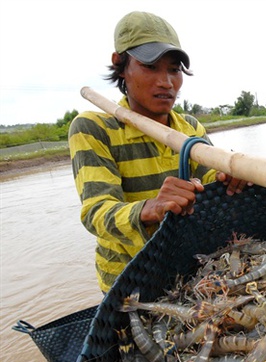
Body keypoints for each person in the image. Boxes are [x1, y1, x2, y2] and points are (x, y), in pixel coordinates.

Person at [69, 11, 249, 294]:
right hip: (128, 279)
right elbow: (96, 213)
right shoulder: (94, 127)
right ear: (120, 65)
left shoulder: (189, 127)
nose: (166, 82)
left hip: (185, 269)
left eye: (174, 70)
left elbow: (212, 176)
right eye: (150, 67)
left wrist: (232, 177)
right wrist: (150, 208)